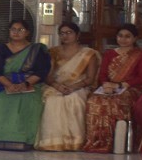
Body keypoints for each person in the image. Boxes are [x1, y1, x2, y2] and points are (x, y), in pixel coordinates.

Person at [83, 23, 142, 153]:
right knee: (94, 101)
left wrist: (120, 85)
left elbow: (141, 77)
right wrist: (105, 85)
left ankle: (115, 143)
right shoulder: (109, 54)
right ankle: (97, 141)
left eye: (127, 36)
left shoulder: (141, 55)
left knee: (115, 102)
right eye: (120, 36)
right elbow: (102, 74)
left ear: (135, 38)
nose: (123, 39)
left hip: (131, 88)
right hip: (109, 87)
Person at [0, 19, 51, 151]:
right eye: (13, 29)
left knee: (30, 101)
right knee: (1, 103)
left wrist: (25, 84)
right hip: (5, 85)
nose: (16, 32)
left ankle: (24, 141)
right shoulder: (2, 49)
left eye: (20, 30)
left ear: (27, 32)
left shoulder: (36, 50)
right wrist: (9, 85)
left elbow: (42, 71)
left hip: (30, 85)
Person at [35, 21, 99, 151]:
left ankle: (74, 142)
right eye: (62, 33)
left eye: (69, 33)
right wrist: (57, 86)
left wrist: (73, 87)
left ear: (77, 35)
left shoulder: (89, 54)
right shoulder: (53, 52)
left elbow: (90, 79)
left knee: (74, 99)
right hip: (55, 86)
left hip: (79, 86)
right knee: (52, 100)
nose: (65, 36)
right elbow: (48, 76)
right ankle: (52, 142)